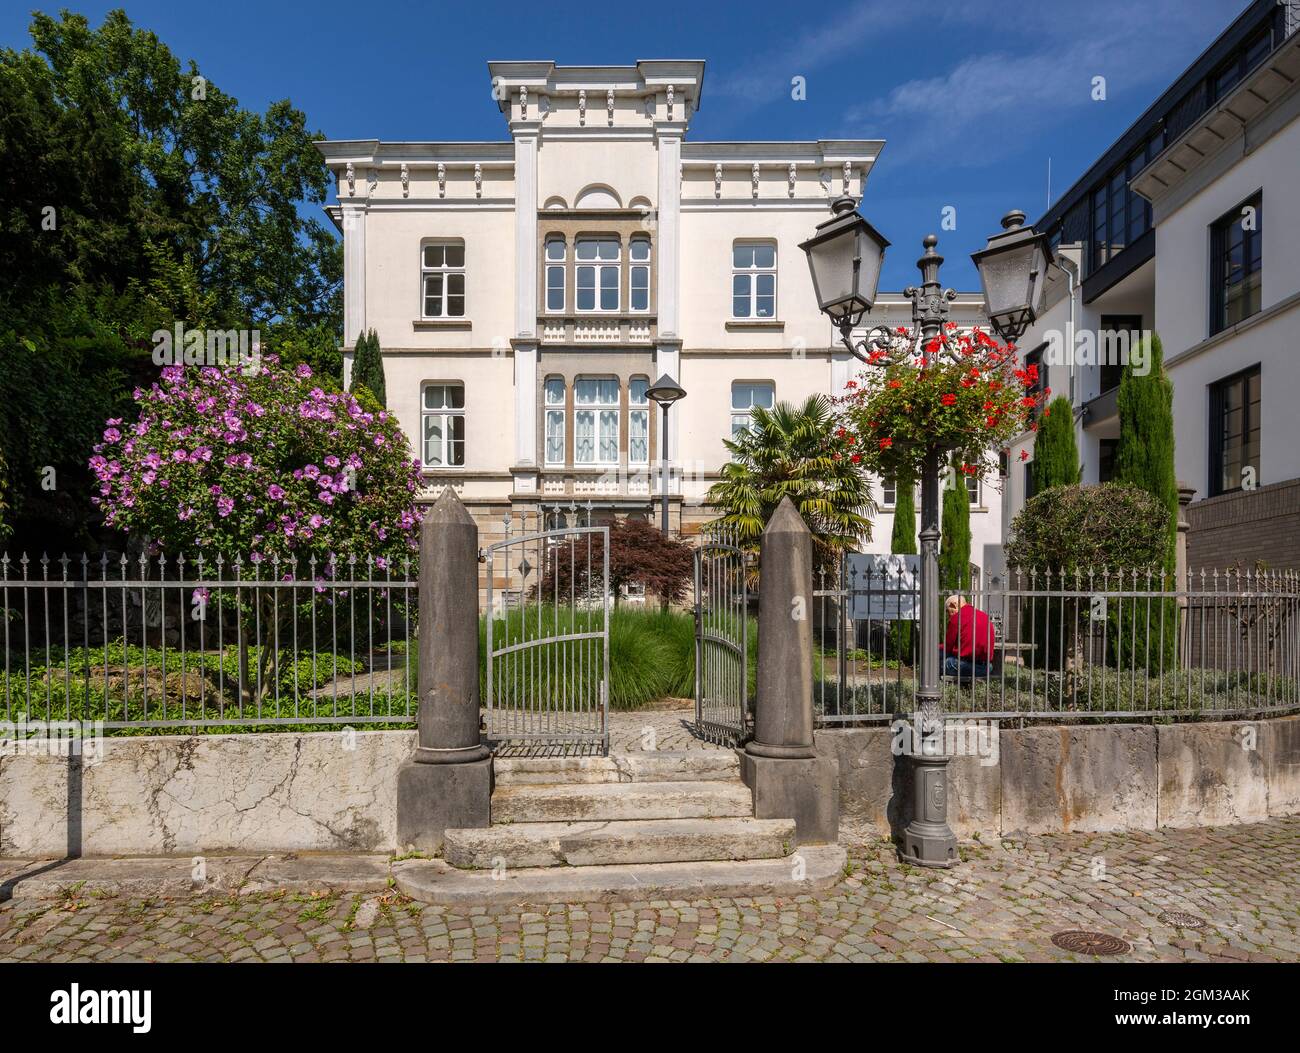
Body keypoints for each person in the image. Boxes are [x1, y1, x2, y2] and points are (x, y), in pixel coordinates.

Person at [942, 594, 995, 683]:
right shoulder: (984, 616)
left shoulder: (956, 618)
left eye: (948, 611)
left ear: (953, 605)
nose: (948, 615)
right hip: (986, 668)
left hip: (965, 667)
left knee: (941, 661)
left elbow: (948, 647)